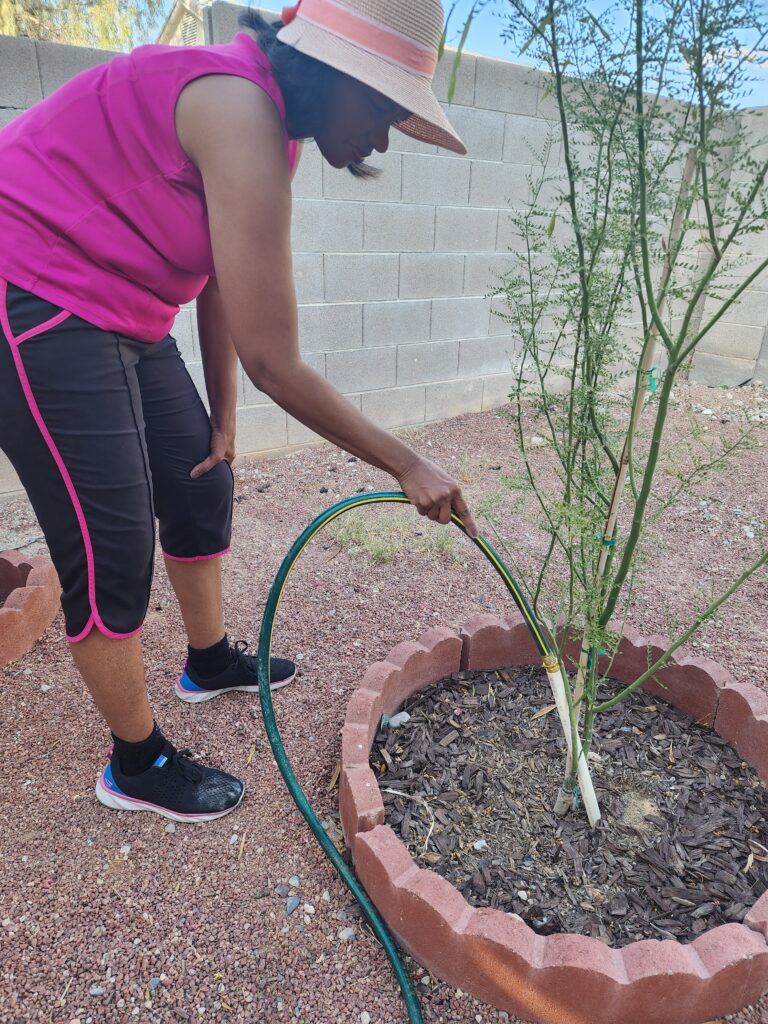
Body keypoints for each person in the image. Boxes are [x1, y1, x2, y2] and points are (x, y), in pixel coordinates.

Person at [0, 0, 478, 823]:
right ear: (332, 74)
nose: (383, 138)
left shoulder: (274, 130)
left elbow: (225, 276)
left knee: (198, 479)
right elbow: (277, 361)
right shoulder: (234, 105)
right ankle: (137, 762)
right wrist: (406, 460)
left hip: (125, 307)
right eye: (381, 108)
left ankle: (208, 660)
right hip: (35, 290)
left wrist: (224, 414)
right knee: (109, 543)